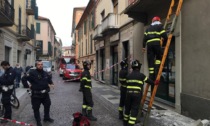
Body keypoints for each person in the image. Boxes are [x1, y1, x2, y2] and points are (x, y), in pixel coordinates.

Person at [123, 60, 154, 126]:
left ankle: (125, 123)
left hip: (128, 94)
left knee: (127, 109)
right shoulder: (141, 75)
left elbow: (125, 84)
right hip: (136, 95)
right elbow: (149, 81)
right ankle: (130, 124)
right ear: (139, 67)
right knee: (134, 109)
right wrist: (155, 82)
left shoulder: (128, 76)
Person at [142, 16, 167, 93]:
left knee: (150, 60)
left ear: (152, 21)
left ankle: (151, 75)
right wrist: (164, 45)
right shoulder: (160, 26)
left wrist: (143, 47)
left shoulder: (148, 28)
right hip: (156, 44)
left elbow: (144, 39)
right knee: (159, 57)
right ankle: (157, 68)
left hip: (149, 46)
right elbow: (165, 36)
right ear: (159, 20)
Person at [27, 60, 54, 126]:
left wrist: (51, 83)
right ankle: (38, 121)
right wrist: (28, 85)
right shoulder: (32, 73)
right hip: (36, 95)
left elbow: (49, 80)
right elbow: (24, 79)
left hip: (45, 94)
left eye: (41, 64)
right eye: (39, 64)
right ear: (36, 65)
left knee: (47, 105)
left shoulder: (45, 73)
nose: (40, 65)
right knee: (36, 108)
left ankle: (46, 117)